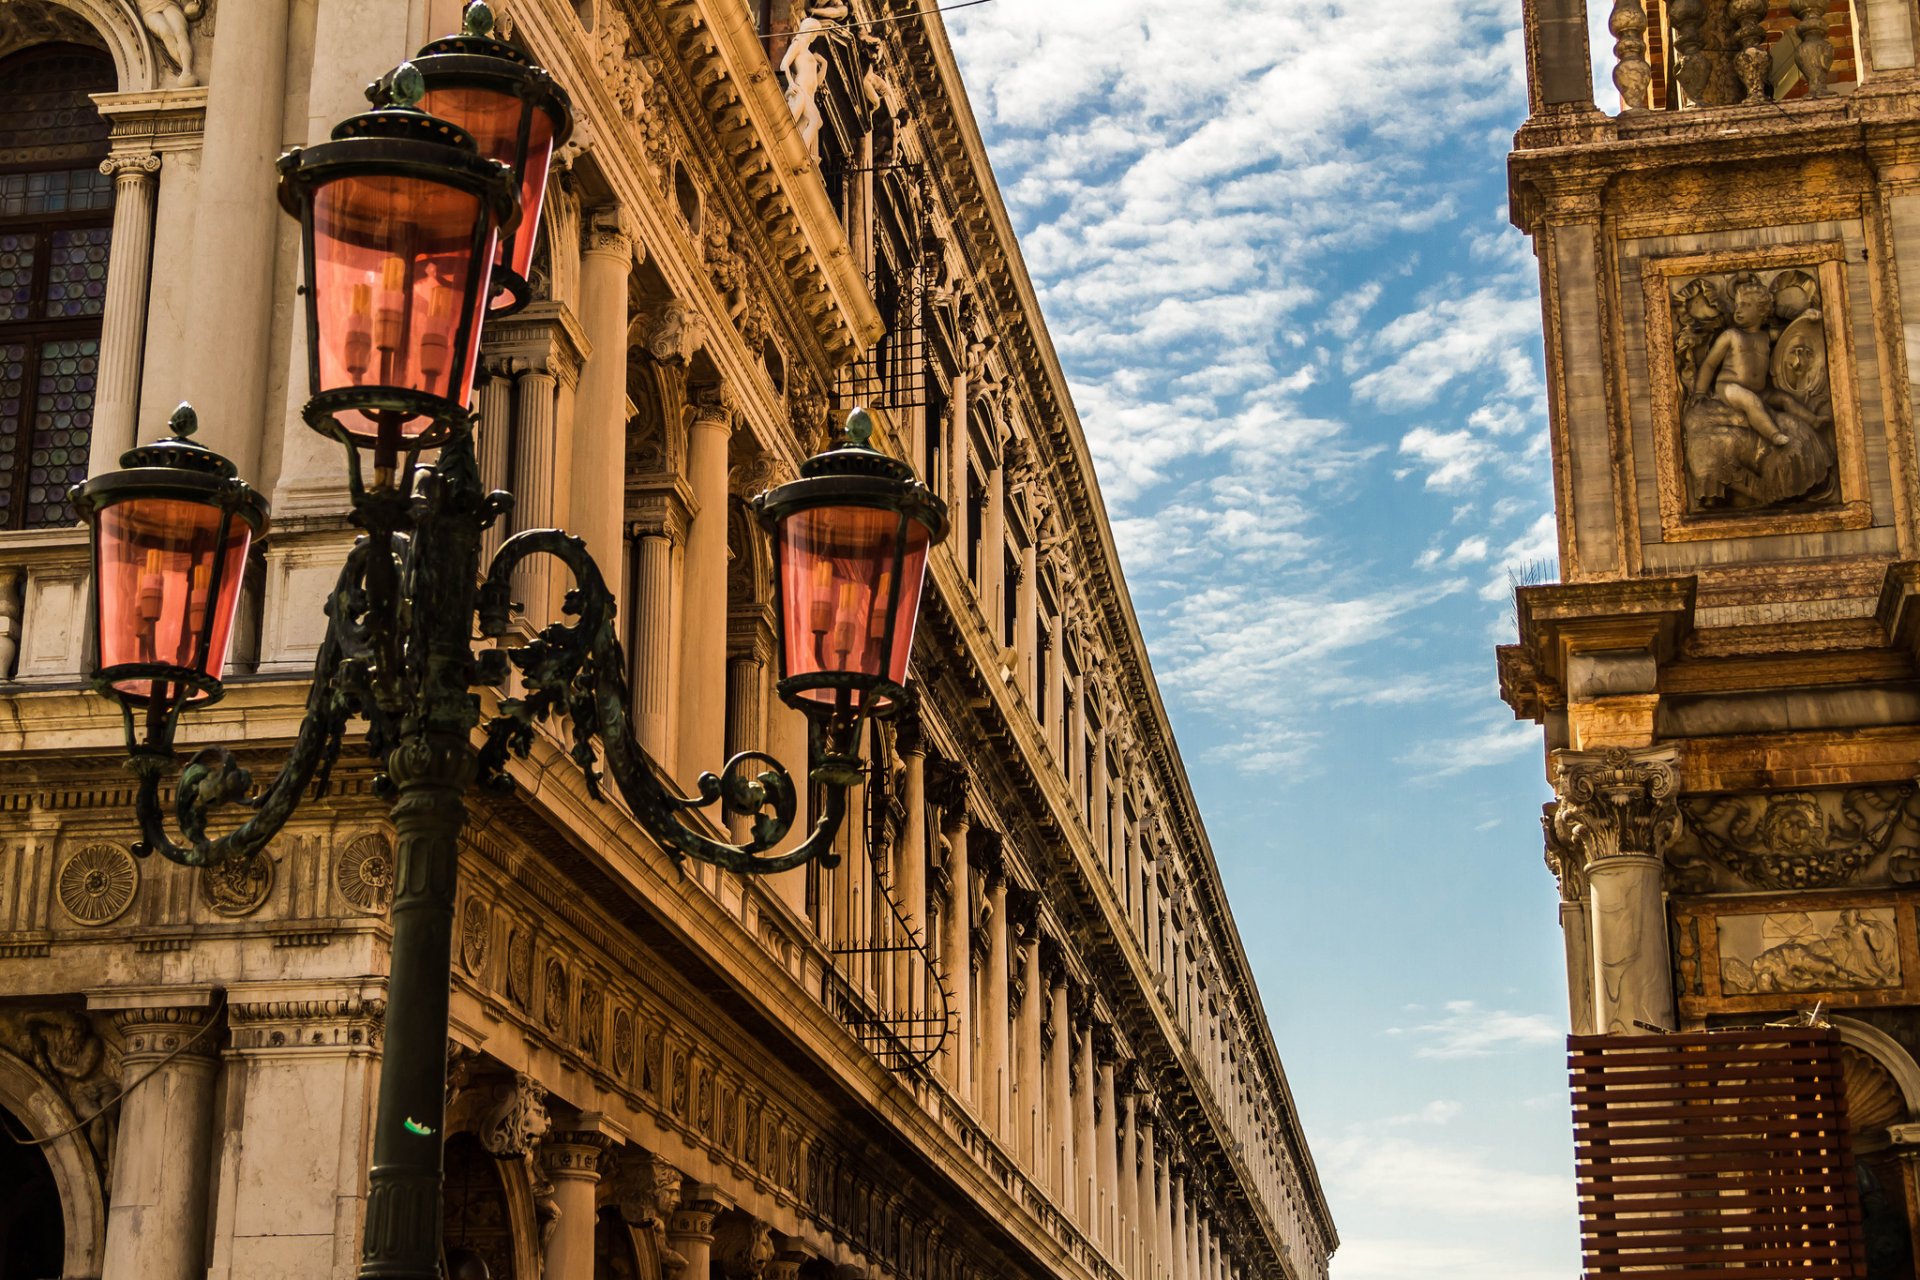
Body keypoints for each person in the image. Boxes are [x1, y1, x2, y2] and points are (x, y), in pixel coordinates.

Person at [1692, 273, 1790, 448]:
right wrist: (1700, 392)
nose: (1738, 309)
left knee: (1786, 400)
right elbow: (1709, 364)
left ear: (1762, 311)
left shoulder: (1766, 337)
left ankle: (1815, 421)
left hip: (1761, 391)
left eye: (1745, 305)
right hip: (1730, 388)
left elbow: (1791, 333)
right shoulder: (1731, 335)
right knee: (1750, 401)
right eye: (1737, 305)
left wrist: (1807, 316)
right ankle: (1773, 434)